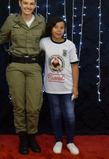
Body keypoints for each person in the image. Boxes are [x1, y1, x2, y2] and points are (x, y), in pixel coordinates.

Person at [0, 0, 46, 155]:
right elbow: (0, 38)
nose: (28, 7)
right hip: (15, 66)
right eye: (25, 3)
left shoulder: (41, 21)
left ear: (35, 5)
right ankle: (22, 138)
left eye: (31, 4)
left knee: (34, 105)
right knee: (19, 104)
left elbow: (48, 41)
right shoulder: (12, 20)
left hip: (34, 66)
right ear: (19, 4)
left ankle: (32, 136)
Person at [39, 17, 79, 155]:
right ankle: (58, 141)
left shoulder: (70, 45)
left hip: (67, 87)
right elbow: (31, 49)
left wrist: (75, 87)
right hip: (51, 87)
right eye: (56, 27)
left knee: (69, 116)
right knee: (55, 115)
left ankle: (70, 141)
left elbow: (74, 66)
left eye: (61, 27)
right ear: (51, 28)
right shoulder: (43, 43)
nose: (59, 30)